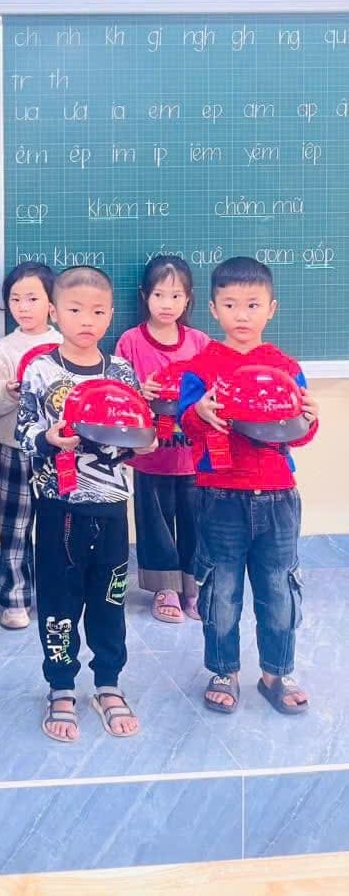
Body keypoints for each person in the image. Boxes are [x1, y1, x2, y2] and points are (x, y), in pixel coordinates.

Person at [17, 265, 153, 742]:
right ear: (55, 312)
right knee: (59, 599)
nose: (86, 320)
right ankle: (60, 686)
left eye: (97, 312)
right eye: (75, 310)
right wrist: (49, 438)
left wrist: (145, 442)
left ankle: (108, 683)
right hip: (59, 507)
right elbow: (23, 431)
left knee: (109, 598)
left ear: (111, 315)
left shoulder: (121, 372)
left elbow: (137, 431)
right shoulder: (40, 369)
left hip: (112, 505)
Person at [178, 256, 318, 716]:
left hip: (278, 495)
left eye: (253, 304)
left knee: (279, 588)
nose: (242, 315)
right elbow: (185, 425)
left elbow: (300, 434)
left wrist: (310, 419)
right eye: (231, 304)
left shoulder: (286, 367)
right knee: (221, 589)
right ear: (213, 309)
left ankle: (276, 672)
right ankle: (225, 671)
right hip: (219, 495)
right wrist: (199, 414)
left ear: (271, 309)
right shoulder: (200, 366)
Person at [116, 256, 209, 623]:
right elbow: (117, 396)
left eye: (176, 295)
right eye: (158, 294)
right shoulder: (130, 341)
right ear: (145, 296)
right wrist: (140, 391)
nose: (167, 304)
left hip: (192, 455)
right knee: (154, 521)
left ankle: (194, 585)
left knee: (195, 520)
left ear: (189, 298)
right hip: (150, 454)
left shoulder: (200, 342)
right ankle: (165, 587)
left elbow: (212, 391)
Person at [0, 262, 61, 628]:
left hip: (58, 451)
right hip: (14, 447)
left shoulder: (65, 343)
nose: (23, 307)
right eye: (15, 299)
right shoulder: (3, 349)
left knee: (57, 526)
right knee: (15, 526)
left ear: (51, 303)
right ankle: (15, 599)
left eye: (32, 298)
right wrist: (8, 392)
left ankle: (58, 595)